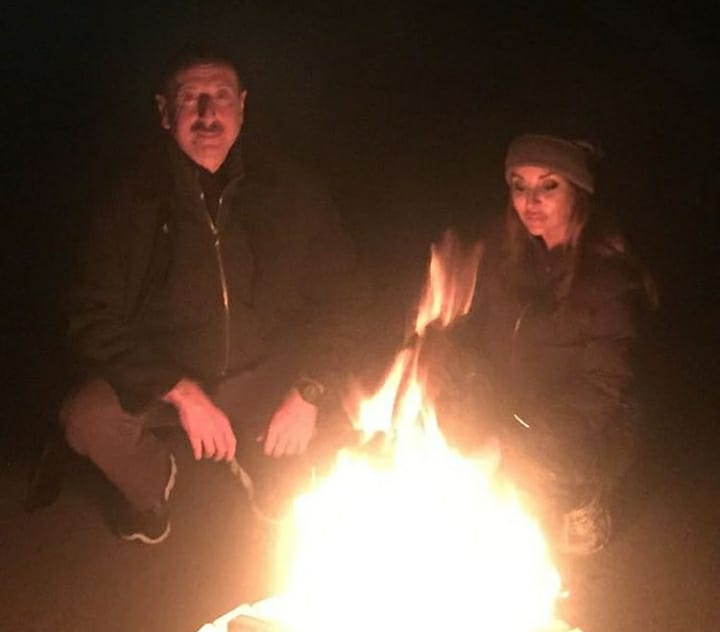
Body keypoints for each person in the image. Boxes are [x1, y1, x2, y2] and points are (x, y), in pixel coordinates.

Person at [60, 46, 363, 543]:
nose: (207, 114)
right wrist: (180, 390)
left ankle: (269, 463)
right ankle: (152, 485)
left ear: (241, 105)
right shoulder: (129, 201)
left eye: (221, 96)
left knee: (350, 399)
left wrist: (309, 391)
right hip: (166, 377)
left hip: (266, 373)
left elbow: (346, 299)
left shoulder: (290, 192)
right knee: (88, 419)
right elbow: (92, 317)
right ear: (165, 112)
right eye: (190, 99)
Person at [433, 132, 655, 555]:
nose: (530, 201)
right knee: (449, 374)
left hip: (585, 424)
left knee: (537, 464)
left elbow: (603, 389)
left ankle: (583, 498)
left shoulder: (608, 278)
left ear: (577, 192)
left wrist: (513, 440)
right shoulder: (508, 257)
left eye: (548, 186)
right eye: (520, 186)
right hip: (518, 406)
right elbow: (468, 336)